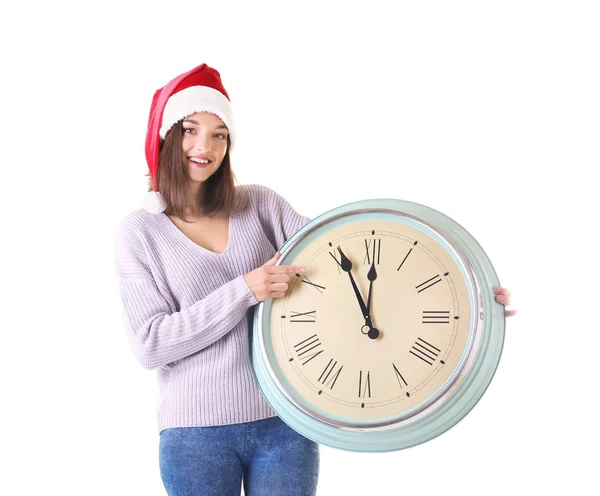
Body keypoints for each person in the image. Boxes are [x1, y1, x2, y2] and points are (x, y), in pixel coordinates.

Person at [114, 63, 516, 496]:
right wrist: (244, 290)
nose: (204, 146)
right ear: (167, 137)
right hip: (194, 434)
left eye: (219, 134)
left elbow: (348, 260)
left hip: (286, 425)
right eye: (191, 129)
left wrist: (470, 291)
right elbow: (150, 344)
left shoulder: (260, 204)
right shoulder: (140, 232)